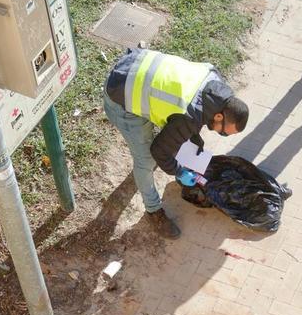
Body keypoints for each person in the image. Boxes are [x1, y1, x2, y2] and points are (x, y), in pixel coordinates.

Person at [103, 48, 249, 238]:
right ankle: (153, 211)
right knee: (146, 160)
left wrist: (192, 140)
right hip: (122, 96)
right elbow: (159, 151)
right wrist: (178, 171)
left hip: (138, 62)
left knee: (172, 137)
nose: (221, 133)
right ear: (219, 115)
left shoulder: (215, 79)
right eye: (223, 132)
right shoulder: (188, 117)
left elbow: (190, 115)